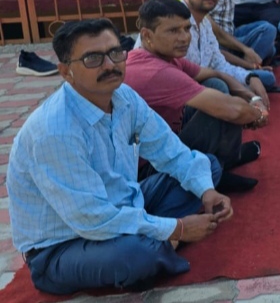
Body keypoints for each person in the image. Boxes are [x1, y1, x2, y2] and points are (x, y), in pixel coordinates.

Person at [7, 19, 232, 295]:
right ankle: (158, 242)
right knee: (136, 256)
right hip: (65, 244)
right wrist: (177, 229)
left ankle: (154, 237)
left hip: (123, 204)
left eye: (115, 53)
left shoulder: (124, 97)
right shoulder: (54, 131)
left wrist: (207, 191)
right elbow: (92, 219)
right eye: (93, 58)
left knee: (206, 168)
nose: (110, 65)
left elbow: (170, 151)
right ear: (66, 72)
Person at [125, 0, 265, 192]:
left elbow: (216, 73)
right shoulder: (155, 71)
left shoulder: (165, 57)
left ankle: (226, 160)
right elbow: (233, 111)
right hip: (145, 169)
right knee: (222, 112)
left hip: (161, 144)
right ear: (147, 35)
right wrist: (257, 114)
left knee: (216, 85)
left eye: (187, 28)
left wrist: (252, 97)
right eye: (173, 31)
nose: (184, 38)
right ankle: (217, 170)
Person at [175, 0, 276, 100]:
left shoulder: (204, 22)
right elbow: (181, 75)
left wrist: (249, 76)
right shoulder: (175, 21)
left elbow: (219, 63)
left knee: (263, 79)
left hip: (205, 82)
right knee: (217, 84)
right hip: (179, 94)